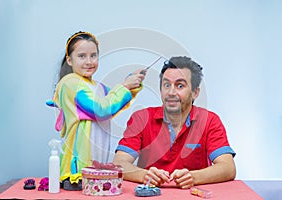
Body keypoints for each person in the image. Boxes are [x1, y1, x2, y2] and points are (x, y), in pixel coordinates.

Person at [113, 56, 236, 189]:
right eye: (166, 85)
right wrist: (144, 175)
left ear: (195, 92)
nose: (171, 92)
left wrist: (193, 177)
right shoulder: (141, 118)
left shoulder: (210, 120)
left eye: (180, 86)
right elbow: (119, 163)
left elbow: (228, 168)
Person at [46, 31, 146, 190]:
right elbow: (101, 110)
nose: (89, 61)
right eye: (82, 56)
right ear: (69, 60)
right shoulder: (70, 83)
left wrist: (131, 85)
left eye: (93, 55)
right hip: (77, 170)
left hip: (95, 162)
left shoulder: (96, 86)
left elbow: (114, 102)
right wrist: (125, 86)